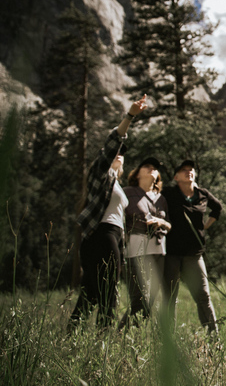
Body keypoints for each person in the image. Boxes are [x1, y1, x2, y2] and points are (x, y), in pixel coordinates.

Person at [69, 95, 147, 329]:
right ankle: (105, 339)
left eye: (122, 155)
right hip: (101, 235)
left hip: (110, 237)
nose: (119, 154)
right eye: (116, 153)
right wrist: (130, 116)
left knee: (91, 291)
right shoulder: (100, 175)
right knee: (109, 287)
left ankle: (72, 335)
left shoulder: (117, 185)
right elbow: (113, 143)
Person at [163, 160, 222, 333]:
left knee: (203, 296)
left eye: (191, 170)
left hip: (194, 254)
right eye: (183, 170)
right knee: (170, 297)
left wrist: (205, 226)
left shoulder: (202, 194)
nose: (188, 172)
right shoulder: (169, 193)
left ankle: (213, 339)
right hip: (171, 253)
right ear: (176, 177)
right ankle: (168, 339)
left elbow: (217, 208)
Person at [119, 156, 170, 329]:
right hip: (136, 248)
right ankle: (121, 333)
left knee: (151, 299)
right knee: (140, 298)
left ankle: (131, 335)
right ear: (137, 173)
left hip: (158, 250)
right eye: (147, 166)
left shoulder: (160, 198)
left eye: (155, 168)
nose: (152, 169)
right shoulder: (127, 192)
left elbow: (169, 224)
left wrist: (161, 222)